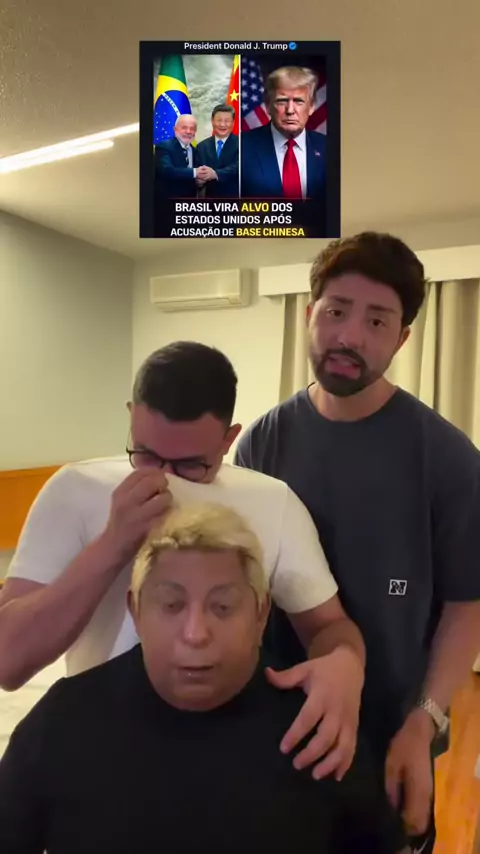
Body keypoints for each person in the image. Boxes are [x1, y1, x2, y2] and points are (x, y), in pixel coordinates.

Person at [0, 341, 366, 781]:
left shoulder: (274, 503)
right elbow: (8, 662)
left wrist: (344, 665)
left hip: (232, 755)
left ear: (229, 438)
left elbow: (330, 627)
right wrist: (112, 544)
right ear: (132, 417)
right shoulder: (74, 491)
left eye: (192, 465)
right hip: (103, 748)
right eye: (146, 455)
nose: (166, 479)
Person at [234, 231, 480, 854]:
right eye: (336, 311)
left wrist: (424, 722)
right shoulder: (263, 442)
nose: (349, 336)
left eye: (376, 321)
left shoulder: (448, 459)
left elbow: (467, 605)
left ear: (401, 339)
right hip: (278, 726)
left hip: (393, 736)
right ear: (309, 314)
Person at [0, 503, 410, 854]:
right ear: (136, 610)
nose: (195, 633)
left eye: (222, 607)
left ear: (261, 613)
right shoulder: (64, 721)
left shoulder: (317, 729)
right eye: (172, 605)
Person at [240, 66, 326, 202]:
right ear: (268, 105)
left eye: (298, 101)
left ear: (311, 107)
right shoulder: (239, 148)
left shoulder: (329, 148)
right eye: (282, 101)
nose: (290, 110)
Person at [154, 114, 209, 198]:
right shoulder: (164, 147)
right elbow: (166, 171)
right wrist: (195, 172)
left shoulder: (196, 150)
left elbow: (195, 179)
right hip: (168, 202)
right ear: (175, 129)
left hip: (189, 202)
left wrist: (200, 182)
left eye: (192, 129)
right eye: (184, 127)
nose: (188, 131)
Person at [196, 104, 239, 198]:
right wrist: (198, 181)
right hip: (210, 202)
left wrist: (215, 174)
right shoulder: (202, 146)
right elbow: (197, 171)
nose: (222, 124)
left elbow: (239, 167)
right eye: (219, 120)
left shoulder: (242, 144)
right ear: (212, 121)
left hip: (236, 201)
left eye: (227, 121)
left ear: (233, 123)